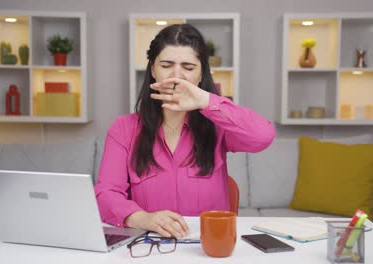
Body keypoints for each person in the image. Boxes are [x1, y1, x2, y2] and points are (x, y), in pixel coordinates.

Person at [94, 24, 275, 239]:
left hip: (207, 246)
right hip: (147, 245)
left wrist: (206, 100)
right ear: (153, 70)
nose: (177, 76)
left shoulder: (218, 124)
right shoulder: (123, 129)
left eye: (188, 67)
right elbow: (105, 194)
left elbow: (263, 136)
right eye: (166, 65)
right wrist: (143, 218)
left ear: (201, 74)